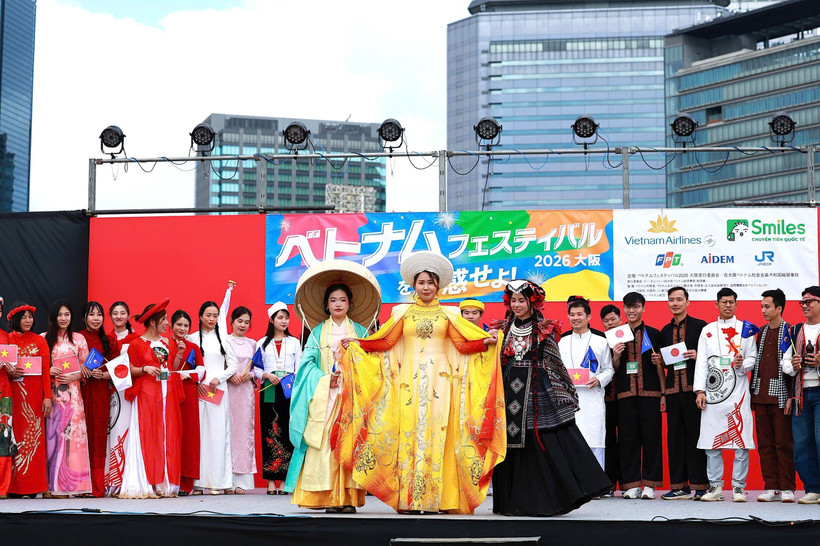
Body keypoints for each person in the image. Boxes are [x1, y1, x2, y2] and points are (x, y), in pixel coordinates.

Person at [339, 251, 505, 514]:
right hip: (408, 383)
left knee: (438, 434)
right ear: (413, 285)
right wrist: (359, 344)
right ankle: (411, 499)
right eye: (421, 282)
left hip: (441, 381)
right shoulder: (402, 312)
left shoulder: (449, 314)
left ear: (438, 285)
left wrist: (485, 342)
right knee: (409, 434)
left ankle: (437, 500)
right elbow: (386, 342)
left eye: (430, 282)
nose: (426, 287)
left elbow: (461, 345)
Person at [492, 280, 610, 516]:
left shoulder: (543, 328)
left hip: (536, 391)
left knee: (542, 442)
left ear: (532, 302)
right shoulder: (502, 328)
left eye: (522, 300)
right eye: (513, 300)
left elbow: (554, 362)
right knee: (510, 445)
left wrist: (562, 391)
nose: (517, 305)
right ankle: (512, 502)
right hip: (508, 391)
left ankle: (545, 500)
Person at [286, 283, 366, 511]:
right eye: (333, 300)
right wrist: (324, 380)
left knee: (349, 444)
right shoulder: (317, 332)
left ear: (350, 303)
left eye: (342, 299)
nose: (338, 304)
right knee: (325, 444)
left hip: (352, 396)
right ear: (326, 304)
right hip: (326, 396)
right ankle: (327, 497)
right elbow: (306, 366)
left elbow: (373, 362)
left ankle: (348, 499)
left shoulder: (360, 331)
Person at [694, 287, 757, 502]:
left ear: (737, 304)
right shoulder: (708, 330)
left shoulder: (746, 329)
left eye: (731, 302)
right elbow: (701, 361)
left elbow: (752, 358)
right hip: (712, 395)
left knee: (740, 441)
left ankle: (738, 487)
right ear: (717, 304)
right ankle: (715, 487)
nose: (727, 305)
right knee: (712, 442)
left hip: (738, 393)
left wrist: (742, 364)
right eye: (724, 302)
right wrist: (700, 390)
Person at [121, 299, 185, 498]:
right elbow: (128, 370)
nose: (168, 323)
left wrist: (179, 355)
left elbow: (171, 368)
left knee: (167, 434)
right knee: (149, 435)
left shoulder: (168, 342)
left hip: (167, 394)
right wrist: (144, 369)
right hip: (147, 394)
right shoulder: (136, 344)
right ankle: (149, 480)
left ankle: (165, 482)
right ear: (152, 322)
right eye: (164, 319)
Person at [652, 287, 708, 501]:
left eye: (679, 299)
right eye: (671, 300)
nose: (675, 303)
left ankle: (701, 486)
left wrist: (697, 355)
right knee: (674, 439)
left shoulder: (700, 327)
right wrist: (660, 362)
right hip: (673, 392)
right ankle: (679, 487)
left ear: (687, 301)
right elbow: (665, 363)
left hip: (695, 391)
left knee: (696, 437)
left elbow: (711, 355)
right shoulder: (664, 331)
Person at [613, 292, 663, 500]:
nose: (631, 310)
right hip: (625, 394)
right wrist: (616, 355)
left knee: (652, 439)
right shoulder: (616, 334)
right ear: (623, 309)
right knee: (627, 440)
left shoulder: (654, 333)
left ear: (643, 308)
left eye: (635, 306)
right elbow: (613, 368)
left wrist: (663, 393)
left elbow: (662, 366)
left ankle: (650, 485)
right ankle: (631, 485)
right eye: (627, 307)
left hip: (651, 394)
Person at [187, 294, 238, 494]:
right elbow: (188, 366)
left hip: (217, 390)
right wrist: (196, 381)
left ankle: (221, 482)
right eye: (208, 315)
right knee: (200, 436)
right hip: (199, 390)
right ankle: (198, 483)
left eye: (215, 315)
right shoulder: (192, 338)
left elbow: (233, 365)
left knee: (218, 435)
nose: (211, 319)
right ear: (200, 316)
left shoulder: (223, 339)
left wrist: (219, 378)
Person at [558, 296, 614, 470]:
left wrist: (599, 379)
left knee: (594, 438)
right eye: (572, 314)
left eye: (580, 314)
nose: (575, 318)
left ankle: (596, 485)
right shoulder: (562, 342)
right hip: (568, 401)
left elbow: (609, 369)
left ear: (589, 317)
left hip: (593, 399)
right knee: (569, 441)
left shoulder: (601, 341)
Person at [43, 299, 91, 497]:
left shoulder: (79, 339)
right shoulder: (44, 338)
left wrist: (76, 374)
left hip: (73, 398)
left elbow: (88, 367)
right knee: (52, 439)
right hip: (52, 397)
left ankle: (75, 486)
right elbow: (37, 368)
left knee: (74, 440)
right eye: (60, 315)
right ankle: (51, 485)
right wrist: (48, 370)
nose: (63, 318)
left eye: (67, 315)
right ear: (53, 317)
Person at [752, 289, 795, 503]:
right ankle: (772, 487)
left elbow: (794, 368)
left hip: (780, 397)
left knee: (783, 443)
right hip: (760, 394)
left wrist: (790, 396)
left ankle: (787, 487)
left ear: (779, 308)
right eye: (762, 306)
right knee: (765, 444)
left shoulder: (790, 332)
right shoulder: (761, 331)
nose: (763, 310)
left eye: (767, 306)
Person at [6, 303, 51, 498]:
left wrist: (47, 397)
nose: (28, 320)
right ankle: (14, 487)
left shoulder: (39, 341)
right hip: (13, 395)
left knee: (34, 440)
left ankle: (33, 487)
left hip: (34, 397)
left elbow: (46, 374)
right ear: (16, 319)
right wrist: (8, 371)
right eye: (24, 317)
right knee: (14, 437)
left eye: (30, 317)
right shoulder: (7, 340)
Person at [782, 286, 820, 504]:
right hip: (801, 394)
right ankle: (812, 489)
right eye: (802, 302)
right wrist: (794, 365)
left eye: (810, 301)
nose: (805, 305)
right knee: (803, 443)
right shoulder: (794, 330)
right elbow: (785, 362)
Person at [78, 301, 119, 498]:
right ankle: (78, 485)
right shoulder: (76, 338)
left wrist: (103, 376)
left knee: (98, 435)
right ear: (84, 317)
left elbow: (120, 371)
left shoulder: (110, 341)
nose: (96, 318)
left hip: (101, 393)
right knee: (79, 437)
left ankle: (96, 487)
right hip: (79, 393)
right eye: (91, 314)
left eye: (99, 314)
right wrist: (81, 370)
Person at [259, 302, 300, 496]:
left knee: (285, 430)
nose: (284, 321)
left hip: (288, 388)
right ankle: (270, 480)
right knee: (268, 430)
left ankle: (284, 479)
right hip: (268, 387)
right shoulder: (261, 343)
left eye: (286, 317)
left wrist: (289, 377)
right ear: (271, 320)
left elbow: (299, 366)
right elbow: (256, 368)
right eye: (280, 317)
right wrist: (267, 375)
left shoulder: (294, 342)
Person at [220, 283, 257, 494]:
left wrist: (249, 375)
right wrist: (229, 373)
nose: (242, 325)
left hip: (245, 393)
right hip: (227, 390)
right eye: (239, 321)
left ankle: (241, 482)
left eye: (246, 322)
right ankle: (226, 480)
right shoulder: (224, 341)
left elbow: (258, 368)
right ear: (231, 321)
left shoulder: (253, 344)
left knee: (244, 433)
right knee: (227, 431)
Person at [167, 310, 203, 496]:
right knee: (168, 434)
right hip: (168, 394)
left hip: (188, 394)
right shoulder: (164, 345)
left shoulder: (193, 347)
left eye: (186, 325)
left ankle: (186, 482)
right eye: (179, 324)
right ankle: (168, 478)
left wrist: (185, 375)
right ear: (171, 325)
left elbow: (201, 372)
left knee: (188, 436)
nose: (182, 328)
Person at [105, 300, 137, 495]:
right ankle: (109, 481)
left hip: (126, 391)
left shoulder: (136, 339)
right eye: (115, 313)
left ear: (128, 315)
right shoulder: (105, 339)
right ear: (110, 316)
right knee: (109, 431)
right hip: (108, 390)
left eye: (122, 312)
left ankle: (124, 479)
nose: (118, 316)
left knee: (124, 429)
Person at [600, 303, 623, 496]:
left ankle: (627, 484)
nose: (610, 323)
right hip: (604, 399)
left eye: (613, 319)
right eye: (606, 321)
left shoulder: (630, 337)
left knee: (626, 441)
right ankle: (607, 483)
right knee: (606, 441)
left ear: (620, 319)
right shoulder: (599, 341)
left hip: (626, 398)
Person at [0, 325, 12, 498]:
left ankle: (2, 488)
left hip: (4, 391)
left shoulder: (6, 336)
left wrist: (12, 369)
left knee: (4, 438)